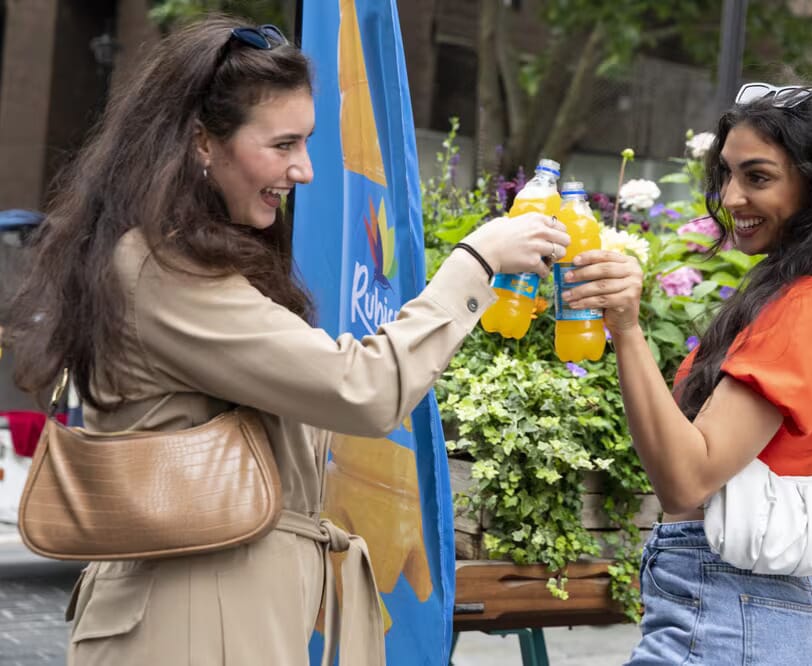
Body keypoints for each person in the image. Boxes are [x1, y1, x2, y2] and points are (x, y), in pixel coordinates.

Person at [2, 17, 568, 666]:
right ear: (202, 142)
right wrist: (477, 261)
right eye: (284, 144)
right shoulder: (162, 268)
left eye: (309, 142)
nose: (304, 169)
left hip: (214, 610)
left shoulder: (181, 258)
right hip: (191, 622)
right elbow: (363, 388)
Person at [562, 84, 812, 664]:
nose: (730, 197)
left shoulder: (807, 308)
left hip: (729, 617)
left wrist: (627, 329)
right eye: (726, 175)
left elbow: (686, 478)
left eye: (757, 177)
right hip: (748, 615)